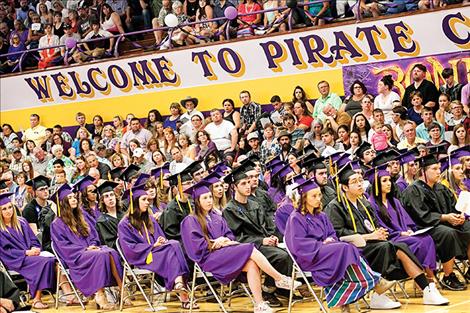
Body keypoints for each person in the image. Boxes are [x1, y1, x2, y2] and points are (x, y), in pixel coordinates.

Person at [325, 163, 450, 306]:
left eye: (360, 180)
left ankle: (427, 289)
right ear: (345, 187)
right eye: (354, 182)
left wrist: (380, 232)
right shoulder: (335, 206)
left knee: (399, 246)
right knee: (389, 247)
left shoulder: (363, 203)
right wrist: (370, 236)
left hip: (374, 244)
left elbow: (374, 226)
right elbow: (339, 234)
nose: (360, 184)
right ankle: (382, 295)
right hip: (353, 250)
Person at [181, 180, 300, 313]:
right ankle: (279, 278)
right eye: (205, 198)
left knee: (251, 264)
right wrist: (215, 243)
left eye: (210, 197)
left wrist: (225, 240)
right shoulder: (190, 220)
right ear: (197, 201)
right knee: (249, 248)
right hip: (209, 258)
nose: (209, 200)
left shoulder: (216, 217)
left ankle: (259, 305)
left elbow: (230, 236)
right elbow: (195, 246)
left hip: (225, 252)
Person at [285, 179, 399, 311]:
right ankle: (376, 282)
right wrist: (322, 243)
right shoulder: (296, 218)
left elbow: (333, 234)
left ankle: (345, 301)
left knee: (346, 250)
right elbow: (299, 244)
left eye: (319, 195)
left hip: (328, 252)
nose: (318, 199)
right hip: (310, 256)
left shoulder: (321, 215)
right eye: (314, 196)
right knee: (344, 249)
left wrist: (330, 240)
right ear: (304, 198)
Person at [222, 165, 296, 306]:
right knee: (282, 256)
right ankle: (269, 291)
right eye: (243, 184)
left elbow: (267, 226)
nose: (248, 186)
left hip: (263, 244)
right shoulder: (230, 210)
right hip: (248, 248)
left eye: (248, 182)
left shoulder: (255, 204)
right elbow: (236, 237)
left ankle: (280, 291)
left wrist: (271, 237)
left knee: (288, 253)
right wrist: (262, 240)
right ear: (234, 187)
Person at [117, 184, 194, 308]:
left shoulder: (150, 220)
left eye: (148, 199)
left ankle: (179, 286)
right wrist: (152, 247)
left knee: (173, 244)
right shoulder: (125, 224)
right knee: (173, 247)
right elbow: (129, 249)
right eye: (144, 200)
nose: (147, 202)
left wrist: (161, 241)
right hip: (143, 257)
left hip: (159, 254)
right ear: (135, 202)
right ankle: (181, 288)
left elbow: (161, 238)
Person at [402, 154, 470, 290]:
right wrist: (445, 217)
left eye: (439, 168)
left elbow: (454, 208)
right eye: (434, 169)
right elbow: (422, 216)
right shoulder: (413, 190)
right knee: (447, 233)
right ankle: (448, 276)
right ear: (423, 172)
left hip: (444, 223)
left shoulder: (441, 188)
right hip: (425, 228)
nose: (439, 171)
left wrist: (459, 216)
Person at [50, 184, 124, 309]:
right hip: (76, 257)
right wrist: (84, 249)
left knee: (111, 252)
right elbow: (63, 247)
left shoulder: (81, 217)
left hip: (90, 251)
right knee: (100, 255)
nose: (74, 199)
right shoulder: (57, 223)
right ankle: (100, 295)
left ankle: (122, 290)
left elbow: (94, 236)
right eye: (70, 198)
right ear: (63, 202)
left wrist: (93, 245)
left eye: (74, 197)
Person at [366, 166, 443, 285]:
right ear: (376, 184)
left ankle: (428, 276)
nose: (389, 183)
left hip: (405, 235)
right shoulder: (371, 205)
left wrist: (409, 229)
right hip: (392, 238)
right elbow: (379, 226)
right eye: (384, 181)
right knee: (419, 242)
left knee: (427, 238)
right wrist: (400, 233)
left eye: (389, 180)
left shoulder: (394, 201)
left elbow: (407, 220)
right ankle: (426, 280)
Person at [0, 193, 56, 309]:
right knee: (43, 262)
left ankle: (36, 297)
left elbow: (34, 240)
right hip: (14, 259)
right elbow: (5, 251)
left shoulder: (22, 222)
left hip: (29, 257)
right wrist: (25, 253)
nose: (8, 211)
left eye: (10, 207)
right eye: (4, 209)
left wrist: (35, 249)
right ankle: (36, 299)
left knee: (50, 260)